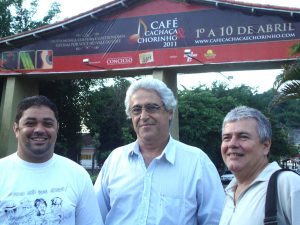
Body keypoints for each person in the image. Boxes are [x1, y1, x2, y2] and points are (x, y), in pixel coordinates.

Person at [94, 78, 225, 225]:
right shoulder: (115, 160)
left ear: (169, 112)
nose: (143, 116)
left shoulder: (197, 163)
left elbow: (217, 220)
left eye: (151, 107)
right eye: (136, 110)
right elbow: (94, 217)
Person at [0, 95, 104, 225]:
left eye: (47, 124)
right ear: (16, 129)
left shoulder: (77, 175)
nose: (39, 129)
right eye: (30, 123)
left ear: (57, 129)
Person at [219, 106, 300, 225]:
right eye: (227, 138)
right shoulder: (229, 193)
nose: (232, 144)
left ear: (265, 145)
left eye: (243, 137)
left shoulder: (288, 184)